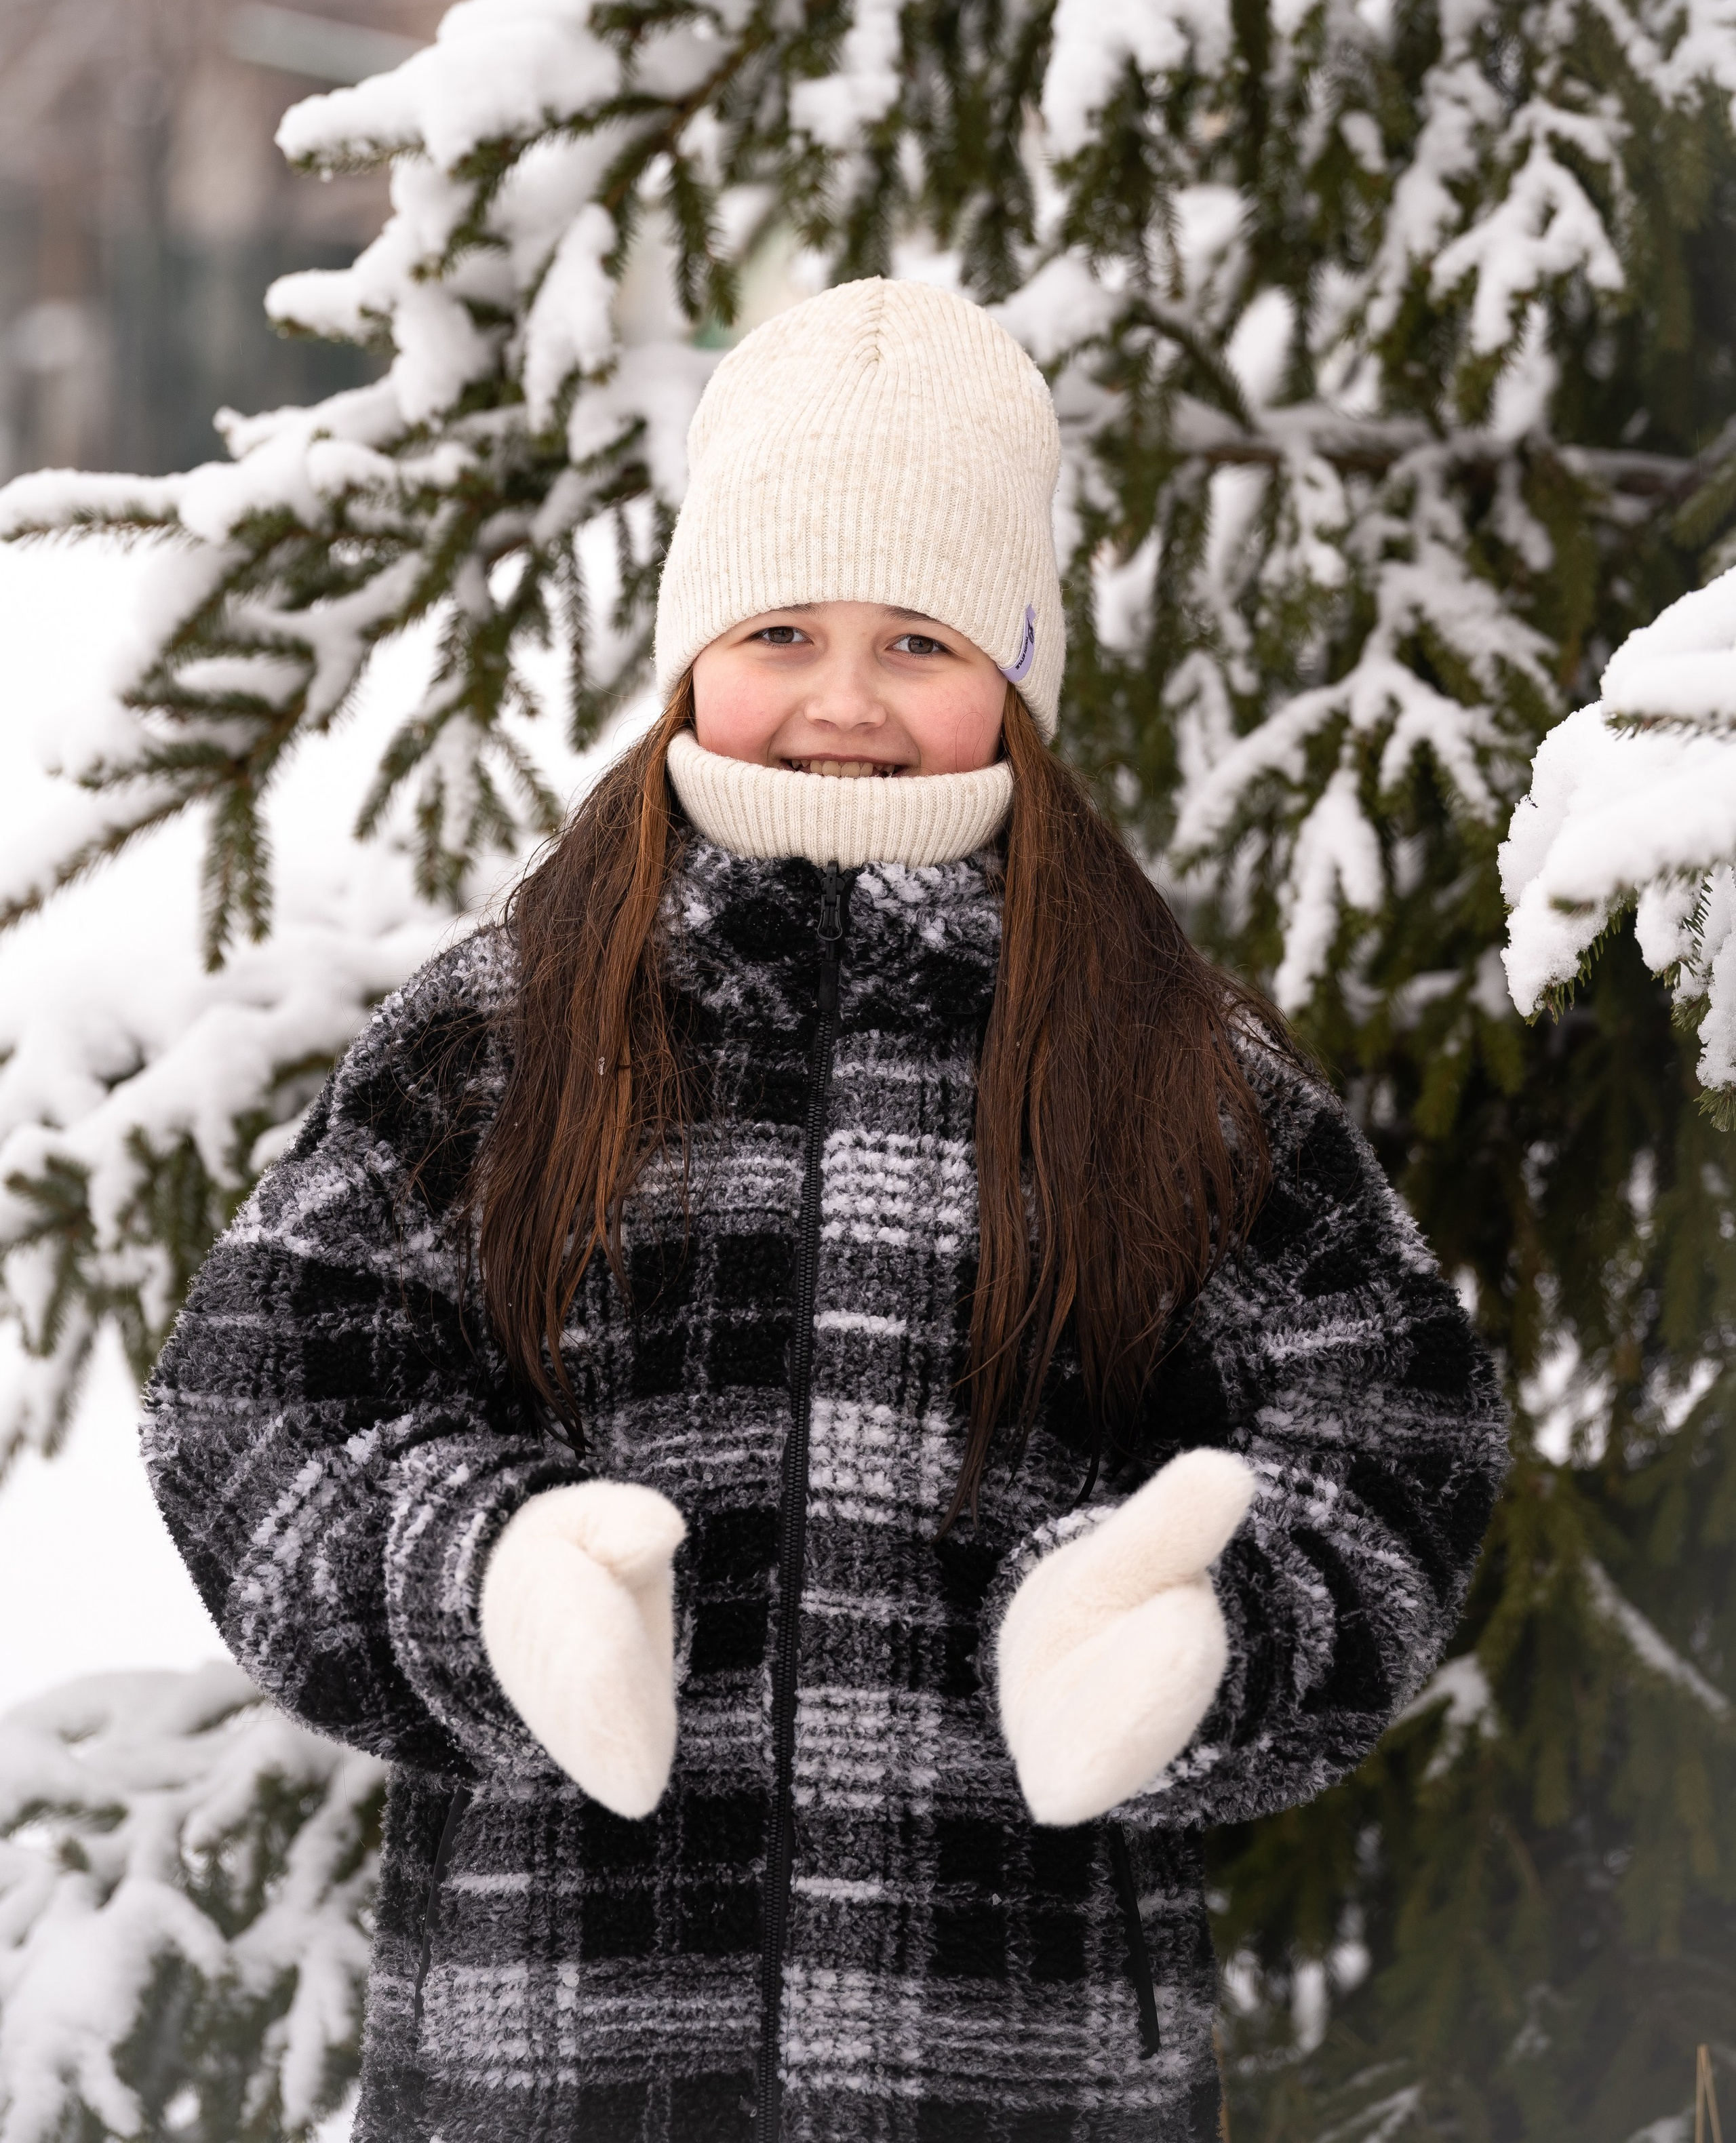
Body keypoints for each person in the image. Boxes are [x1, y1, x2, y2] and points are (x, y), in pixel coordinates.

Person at [144, 277, 1509, 2143]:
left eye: (922, 641)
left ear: (1019, 675)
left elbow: (1401, 1424)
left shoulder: (1168, 1064)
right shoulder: (509, 1027)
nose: (844, 703)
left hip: (1017, 2069)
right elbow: (254, 1403)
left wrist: (1202, 1639)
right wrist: (479, 1578)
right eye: (780, 627)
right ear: (692, 648)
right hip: (558, 2059)